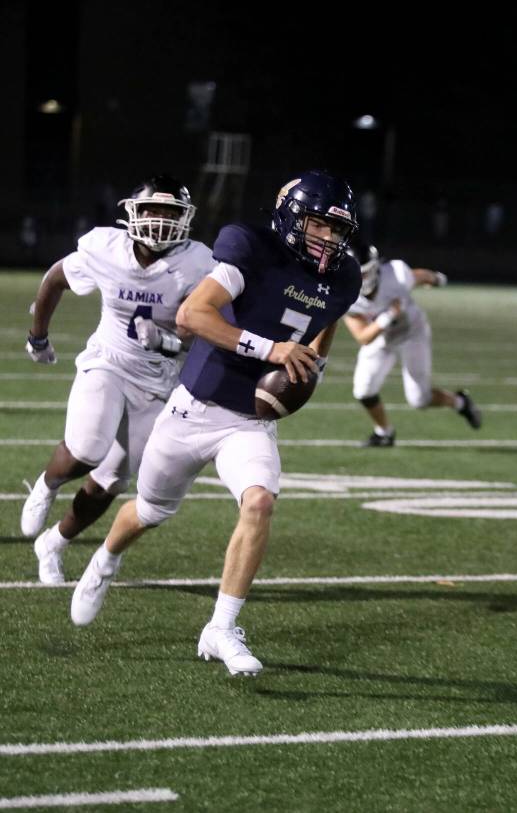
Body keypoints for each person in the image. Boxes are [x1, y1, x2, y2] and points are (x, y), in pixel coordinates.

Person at [69, 170, 362, 676]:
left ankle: (221, 627)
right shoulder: (249, 246)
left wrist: (311, 363)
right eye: (320, 226)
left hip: (248, 421)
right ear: (292, 217)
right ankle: (105, 561)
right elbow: (192, 317)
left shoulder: (344, 276)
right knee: (150, 511)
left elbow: (325, 319)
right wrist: (272, 349)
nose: (329, 239)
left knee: (260, 501)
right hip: (192, 409)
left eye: (338, 231)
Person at [22, 176, 214, 585]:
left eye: (170, 213)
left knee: (112, 480)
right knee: (87, 448)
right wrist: (37, 335)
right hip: (108, 360)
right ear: (133, 213)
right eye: (152, 210)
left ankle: (54, 542)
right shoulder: (104, 248)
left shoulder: (199, 264)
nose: (160, 220)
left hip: (158, 380)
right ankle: (47, 483)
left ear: (186, 219)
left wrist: (166, 341)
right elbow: (55, 278)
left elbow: (206, 331)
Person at [345, 242, 481, 446]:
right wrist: (389, 315)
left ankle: (460, 402)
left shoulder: (395, 274)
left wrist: (436, 279)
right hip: (381, 337)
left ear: (375, 268)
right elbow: (363, 337)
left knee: (420, 399)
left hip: (412, 332)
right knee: (363, 390)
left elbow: (418, 276)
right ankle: (384, 432)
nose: (362, 279)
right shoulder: (345, 293)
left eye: (366, 273)